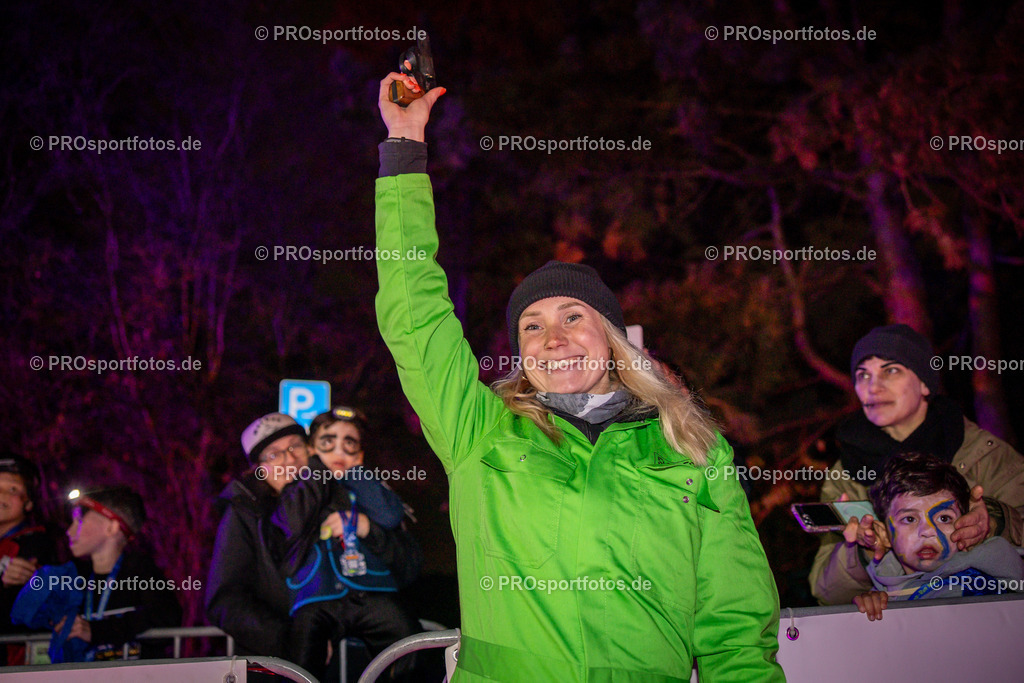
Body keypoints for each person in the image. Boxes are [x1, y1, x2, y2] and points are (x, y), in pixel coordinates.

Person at [373, 72, 783, 681]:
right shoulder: (479, 431)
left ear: (612, 339)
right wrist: (404, 149)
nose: (553, 338)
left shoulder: (692, 446)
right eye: (531, 326)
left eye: (573, 317)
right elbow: (415, 315)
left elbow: (736, 623)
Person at [810, 324, 1024, 605]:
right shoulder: (846, 474)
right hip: (903, 628)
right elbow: (826, 592)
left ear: (924, 383)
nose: (873, 386)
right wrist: (861, 553)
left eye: (891, 371)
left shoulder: (984, 454)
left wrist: (995, 520)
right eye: (863, 375)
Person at [271, 406, 421, 681]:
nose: (338, 451)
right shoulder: (301, 486)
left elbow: (390, 516)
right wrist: (315, 467)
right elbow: (290, 521)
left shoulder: (366, 485)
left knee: (406, 642)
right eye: (328, 442)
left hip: (370, 591)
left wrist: (362, 512)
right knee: (300, 662)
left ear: (360, 453)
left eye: (349, 443)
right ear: (311, 448)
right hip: (316, 595)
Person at [852, 452, 1024, 621]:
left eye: (944, 518)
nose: (928, 531)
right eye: (910, 519)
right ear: (884, 535)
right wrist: (872, 608)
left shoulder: (978, 583)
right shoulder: (885, 592)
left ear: (965, 524)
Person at [205, 413, 309, 658]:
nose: (289, 459)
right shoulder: (244, 513)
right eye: (273, 455)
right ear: (259, 469)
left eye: (295, 446)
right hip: (277, 664)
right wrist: (293, 641)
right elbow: (225, 601)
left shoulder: (334, 499)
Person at [54, 486, 180, 660]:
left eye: (80, 521)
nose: (70, 531)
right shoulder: (75, 576)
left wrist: (97, 631)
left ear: (111, 528)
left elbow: (166, 618)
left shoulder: (140, 571)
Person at [1, 455, 58, 665]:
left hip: (14, 663)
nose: (1, 495)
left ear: (28, 502)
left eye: (12, 489)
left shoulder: (37, 544)